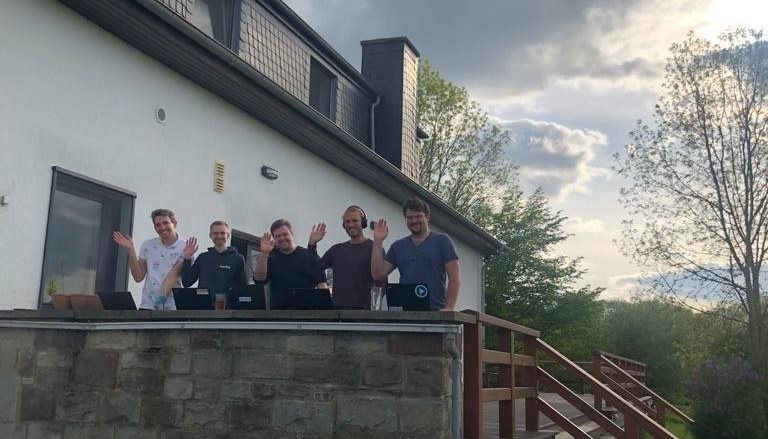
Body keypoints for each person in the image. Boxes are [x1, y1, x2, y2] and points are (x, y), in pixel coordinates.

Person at [371, 198, 461, 311]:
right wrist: (378, 241)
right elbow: (378, 274)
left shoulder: (442, 241)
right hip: (405, 313)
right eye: (410, 218)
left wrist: (449, 308)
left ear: (427, 217)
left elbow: (455, 278)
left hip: (435, 313)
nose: (414, 221)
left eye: (418, 216)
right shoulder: (398, 246)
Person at [308, 206, 379, 310]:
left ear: (363, 223)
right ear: (344, 225)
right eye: (347, 222)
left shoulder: (374, 248)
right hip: (339, 311)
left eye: (355, 221)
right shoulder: (336, 250)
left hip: (365, 312)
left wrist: (375, 308)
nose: (351, 224)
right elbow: (315, 269)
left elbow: (381, 281)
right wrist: (312, 244)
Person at [113, 208, 185, 310]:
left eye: (165, 223)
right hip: (148, 305)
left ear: (174, 223)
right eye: (158, 225)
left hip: (172, 306)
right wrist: (131, 250)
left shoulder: (185, 247)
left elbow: (179, 277)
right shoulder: (148, 245)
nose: (162, 227)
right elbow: (138, 277)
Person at [253, 219, 326, 309]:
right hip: (279, 313)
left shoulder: (308, 255)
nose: (282, 238)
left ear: (292, 234)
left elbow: (321, 282)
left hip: (306, 313)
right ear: (274, 239)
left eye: (285, 234)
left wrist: (325, 311)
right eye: (278, 236)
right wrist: (264, 253)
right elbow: (259, 280)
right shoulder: (271, 260)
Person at [181, 221, 247, 301]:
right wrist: (187, 258)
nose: (219, 236)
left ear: (228, 235)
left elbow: (243, 288)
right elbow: (186, 282)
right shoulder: (203, 258)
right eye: (215, 233)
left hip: (226, 306)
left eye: (222, 233)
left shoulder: (237, 259)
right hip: (203, 305)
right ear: (210, 235)